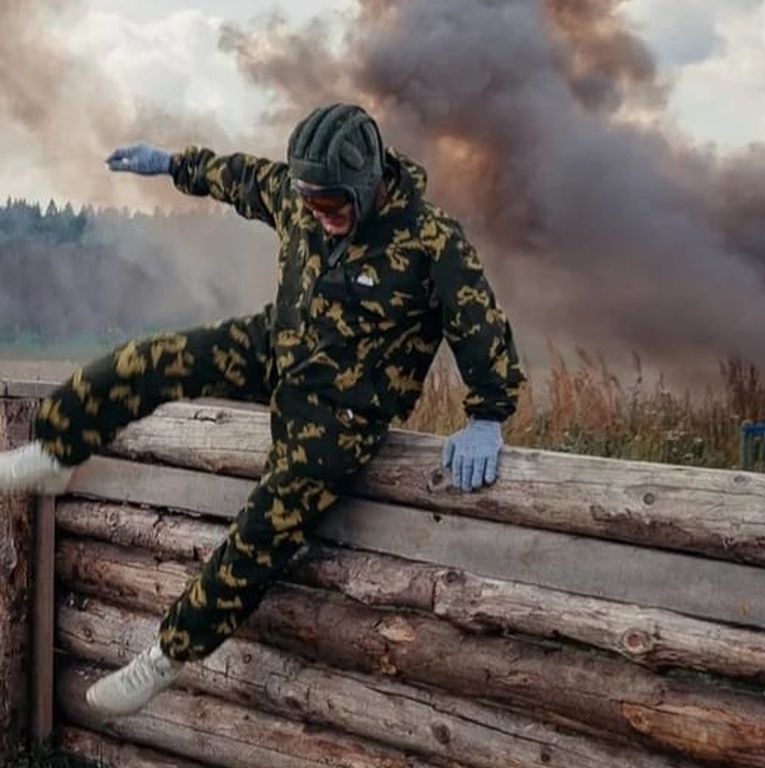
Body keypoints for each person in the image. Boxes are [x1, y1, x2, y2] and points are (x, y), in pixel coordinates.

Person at [0, 103, 525, 716]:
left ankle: (164, 657)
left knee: (262, 531)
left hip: (341, 416)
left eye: (333, 206)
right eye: (310, 204)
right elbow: (242, 177)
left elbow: (480, 326)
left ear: (368, 185)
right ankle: (59, 450)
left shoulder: (430, 241)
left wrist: (488, 414)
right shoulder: (300, 199)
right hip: (277, 346)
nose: (319, 217)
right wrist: (173, 164)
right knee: (149, 359)